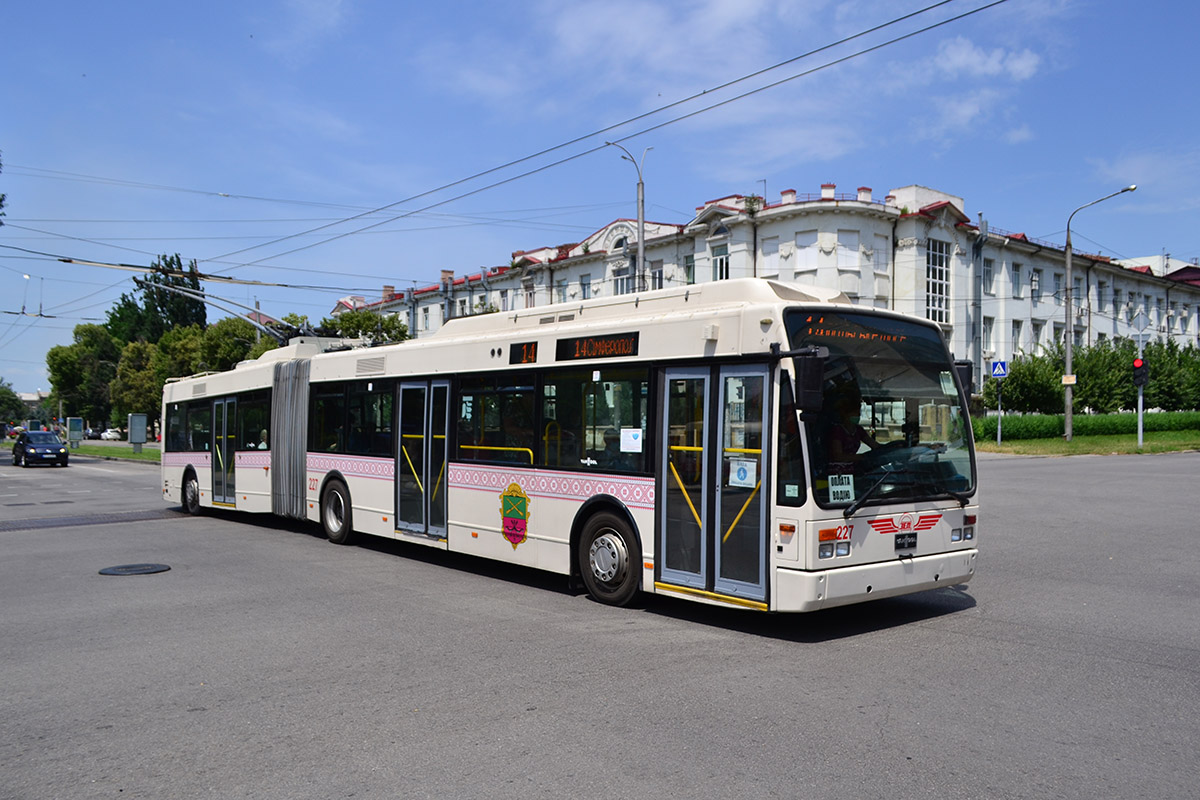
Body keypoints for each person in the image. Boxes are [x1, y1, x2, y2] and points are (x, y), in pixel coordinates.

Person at [826, 384, 878, 470]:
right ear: (845, 414)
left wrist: (892, 449)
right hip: (837, 470)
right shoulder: (837, 431)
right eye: (854, 413)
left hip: (853, 467)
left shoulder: (858, 430)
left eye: (859, 413)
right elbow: (838, 456)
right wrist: (862, 457)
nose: (858, 416)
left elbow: (874, 445)